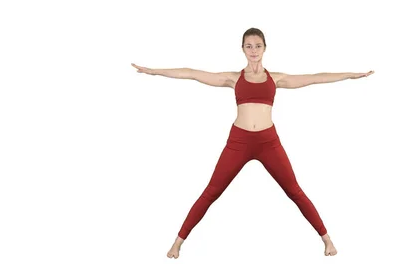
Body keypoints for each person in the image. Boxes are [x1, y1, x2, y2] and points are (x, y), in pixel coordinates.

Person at [131, 28, 374, 258]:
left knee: (294, 190)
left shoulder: (276, 78)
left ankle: (327, 239)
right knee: (211, 191)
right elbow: (191, 73)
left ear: (265, 48)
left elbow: (315, 78)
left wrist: (350, 75)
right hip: (239, 141)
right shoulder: (233, 78)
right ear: (243, 49)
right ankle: (177, 243)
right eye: (249, 46)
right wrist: (154, 71)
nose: (254, 50)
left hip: (268, 142)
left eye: (258, 46)